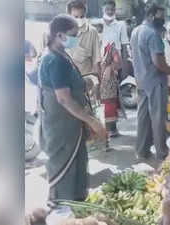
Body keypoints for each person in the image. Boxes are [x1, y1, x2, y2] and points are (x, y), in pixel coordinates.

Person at [37, 15, 106, 202]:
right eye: (73, 35)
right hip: (62, 127)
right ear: (59, 35)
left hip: (70, 125)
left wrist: (84, 83)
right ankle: (64, 211)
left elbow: (67, 84)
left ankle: (76, 207)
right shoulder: (54, 60)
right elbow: (64, 99)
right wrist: (92, 121)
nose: (76, 38)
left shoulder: (62, 56)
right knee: (65, 174)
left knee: (77, 169)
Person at [130, 4, 170, 162]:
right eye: (160, 16)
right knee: (158, 117)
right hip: (155, 81)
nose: (163, 20)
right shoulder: (152, 34)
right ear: (151, 16)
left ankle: (142, 150)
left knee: (143, 116)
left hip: (141, 80)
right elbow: (158, 62)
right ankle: (162, 152)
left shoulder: (136, 31)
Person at [66, 0, 102, 76]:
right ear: (69, 16)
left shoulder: (92, 32)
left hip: (85, 80)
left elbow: (96, 61)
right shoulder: (61, 32)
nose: (79, 19)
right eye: (75, 17)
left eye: (82, 17)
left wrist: (98, 82)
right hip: (65, 80)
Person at [100, 42, 122, 137]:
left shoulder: (109, 48)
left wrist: (110, 68)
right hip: (105, 82)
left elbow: (117, 63)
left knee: (109, 105)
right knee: (108, 105)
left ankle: (112, 129)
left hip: (107, 83)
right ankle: (110, 130)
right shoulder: (108, 48)